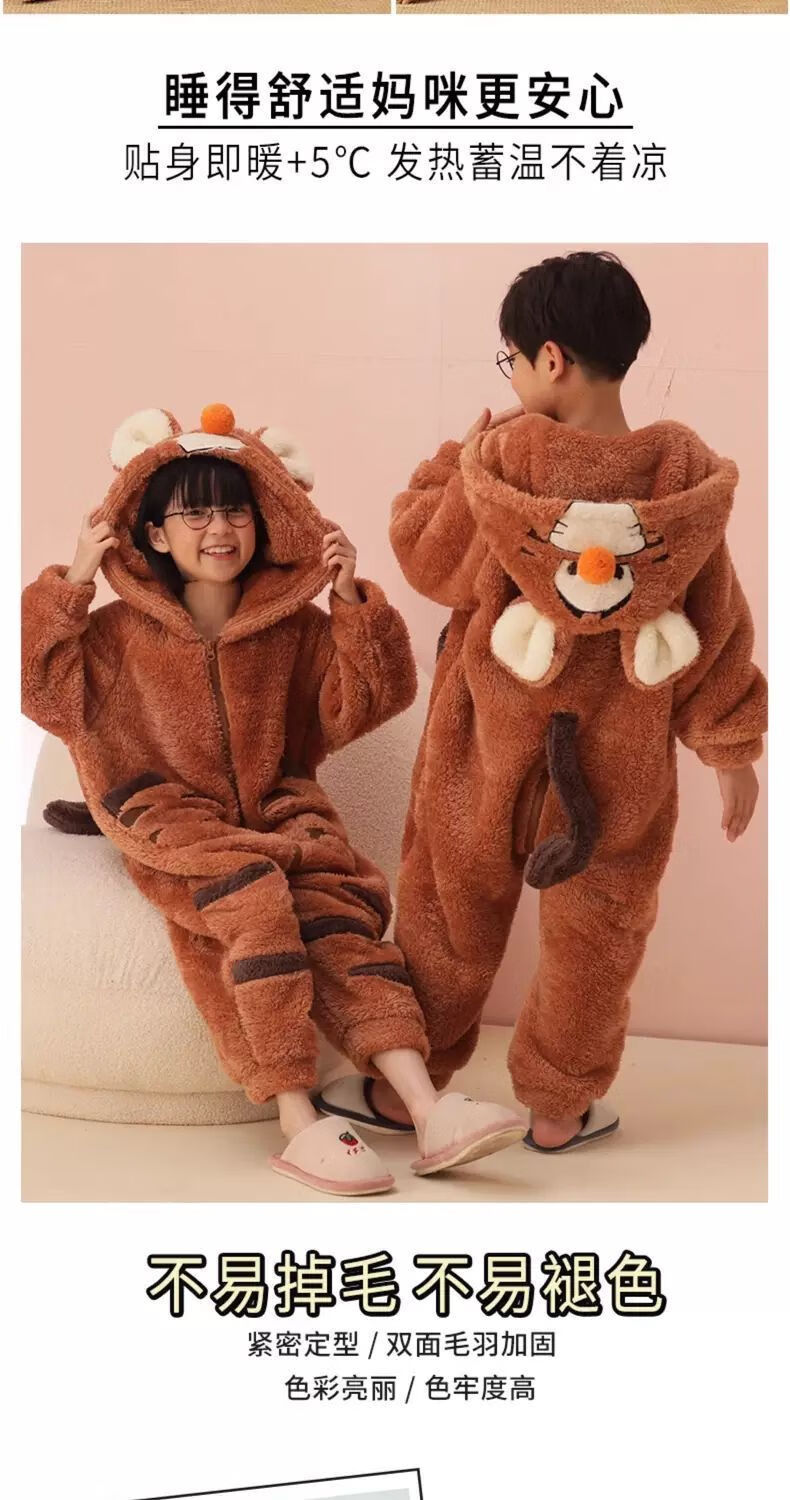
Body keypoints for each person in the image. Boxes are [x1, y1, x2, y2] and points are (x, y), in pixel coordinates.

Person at [323, 252, 767, 1155]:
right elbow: (714, 621)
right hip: (620, 756)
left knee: (450, 907)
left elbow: (429, 558)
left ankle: (406, 1091)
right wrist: (732, 750)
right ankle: (560, 1109)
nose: (514, 377)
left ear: (551, 358)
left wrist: (452, 461)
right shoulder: (680, 482)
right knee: (600, 928)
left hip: (487, 739)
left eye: (513, 359)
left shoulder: (503, 462)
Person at [21, 402, 525, 1196]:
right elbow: (44, 693)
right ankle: (299, 1118)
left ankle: (428, 1108)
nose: (220, 529)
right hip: (165, 812)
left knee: (339, 912)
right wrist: (75, 581)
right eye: (194, 514)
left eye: (236, 511)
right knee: (253, 903)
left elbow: (371, 697)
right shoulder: (115, 635)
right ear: (154, 535)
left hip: (280, 807)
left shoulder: (291, 631)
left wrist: (350, 600)